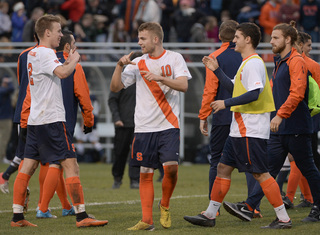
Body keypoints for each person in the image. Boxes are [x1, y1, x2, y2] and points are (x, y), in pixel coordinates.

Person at [184, 22, 292, 229]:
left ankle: (283, 218)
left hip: (250, 129)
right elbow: (235, 88)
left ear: (248, 40)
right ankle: (210, 214)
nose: (234, 40)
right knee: (223, 168)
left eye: (237, 37)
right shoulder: (246, 62)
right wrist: (216, 70)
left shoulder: (253, 63)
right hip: (239, 129)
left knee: (261, 173)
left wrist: (225, 103)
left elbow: (253, 93)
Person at [10, 14, 108, 228]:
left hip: (36, 120)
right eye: (58, 31)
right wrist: (74, 59)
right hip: (52, 120)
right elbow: (63, 73)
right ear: (47, 33)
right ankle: (82, 216)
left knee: (27, 166)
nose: (61, 35)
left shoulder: (32, 53)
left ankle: (17, 217)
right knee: (71, 165)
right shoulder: (45, 53)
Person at [222, 21, 320, 224]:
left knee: (307, 168)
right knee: (267, 169)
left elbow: (297, 93)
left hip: (296, 126)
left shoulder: (296, 61)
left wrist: (280, 114)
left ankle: (317, 208)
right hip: (280, 127)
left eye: (275, 37)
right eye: (272, 37)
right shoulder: (280, 61)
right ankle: (249, 206)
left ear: (288, 39)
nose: (271, 40)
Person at [110, 22, 191, 231]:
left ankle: (164, 204)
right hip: (144, 127)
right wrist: (119, 66)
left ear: (155, 39)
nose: (139, 42)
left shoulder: (174, 58)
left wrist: (161, 78)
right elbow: (115, 87)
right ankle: (147, 220)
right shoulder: (136, 62)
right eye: (139, 38)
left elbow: (183, 85)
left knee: (171, 169)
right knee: (145, 172)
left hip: (168, 124)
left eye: (142, 38)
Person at [108, 52, 141, 189]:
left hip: (139, 124)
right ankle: (117, 178)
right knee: (120, 153)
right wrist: (117, 118)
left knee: (136, 154)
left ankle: (135, 180)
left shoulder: (144, 79)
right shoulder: (122, 79)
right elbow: (112, 100)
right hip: (123, 123)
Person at [0, 76, 14, 163]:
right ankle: (2, 157)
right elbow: (11, 88)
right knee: (4, 139)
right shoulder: (2, 91)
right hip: (4, 118)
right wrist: (8, 82)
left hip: (3, 117)